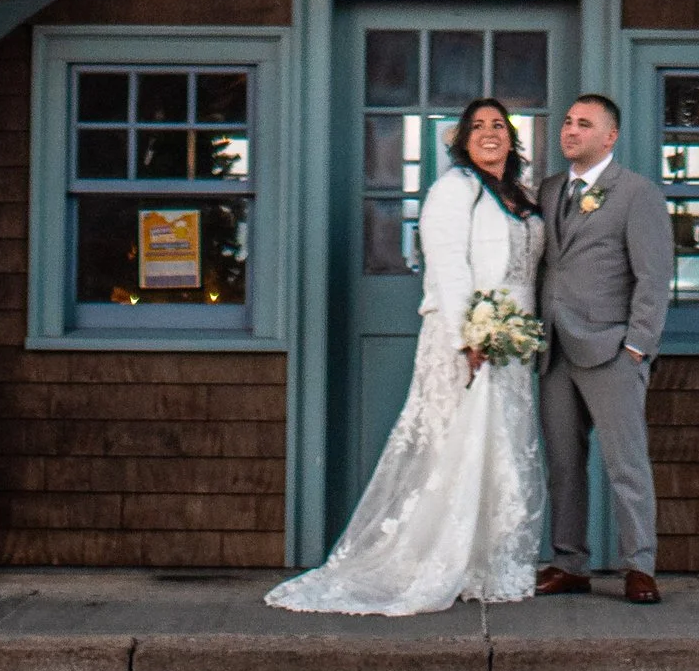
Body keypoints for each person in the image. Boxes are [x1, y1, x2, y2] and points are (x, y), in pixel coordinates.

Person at [267, 95, 547, 614]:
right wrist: (471, 336)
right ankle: (436, 559)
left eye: (499, 125)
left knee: (500, 448)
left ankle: (484, 562)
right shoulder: (453, 190)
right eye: (478, 126)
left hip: (514, 345)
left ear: (512, 137)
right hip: (469, 339)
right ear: (463, 141)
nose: (490, 133)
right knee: (457, 446)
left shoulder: (520, 196)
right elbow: (447, 267)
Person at [535, 90, 671, 604]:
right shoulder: (549, 191)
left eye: (584, 124)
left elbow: (654, 277)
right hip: (554, 349)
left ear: (609, 136)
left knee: (626, 463)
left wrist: (637, 346)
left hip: (611, 348)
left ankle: (640, 565)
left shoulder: (636, 193)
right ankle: (570, 562)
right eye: (567, 122)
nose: (571, 130)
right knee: (564, 465)